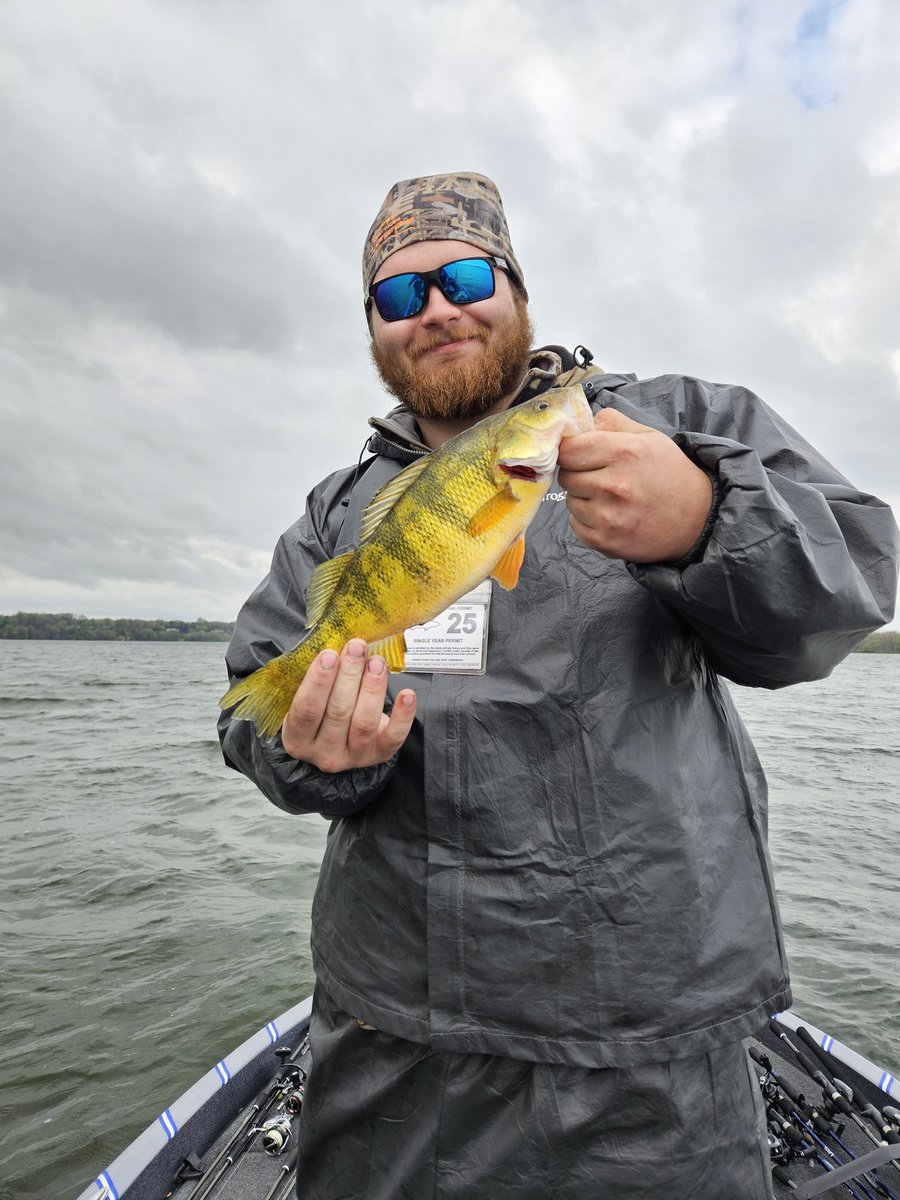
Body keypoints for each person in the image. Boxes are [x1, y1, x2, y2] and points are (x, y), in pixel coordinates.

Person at [218, 172, 899, 1200]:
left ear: (514, 286)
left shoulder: (667, 423)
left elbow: (855, 578)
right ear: (374, 329)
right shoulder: (338, 514)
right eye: (400, 297)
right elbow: (252, 705)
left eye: (462, 276)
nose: (437, 309)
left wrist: (711, 516)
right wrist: (310, 754)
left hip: (648, 1050)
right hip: (392, 1036)